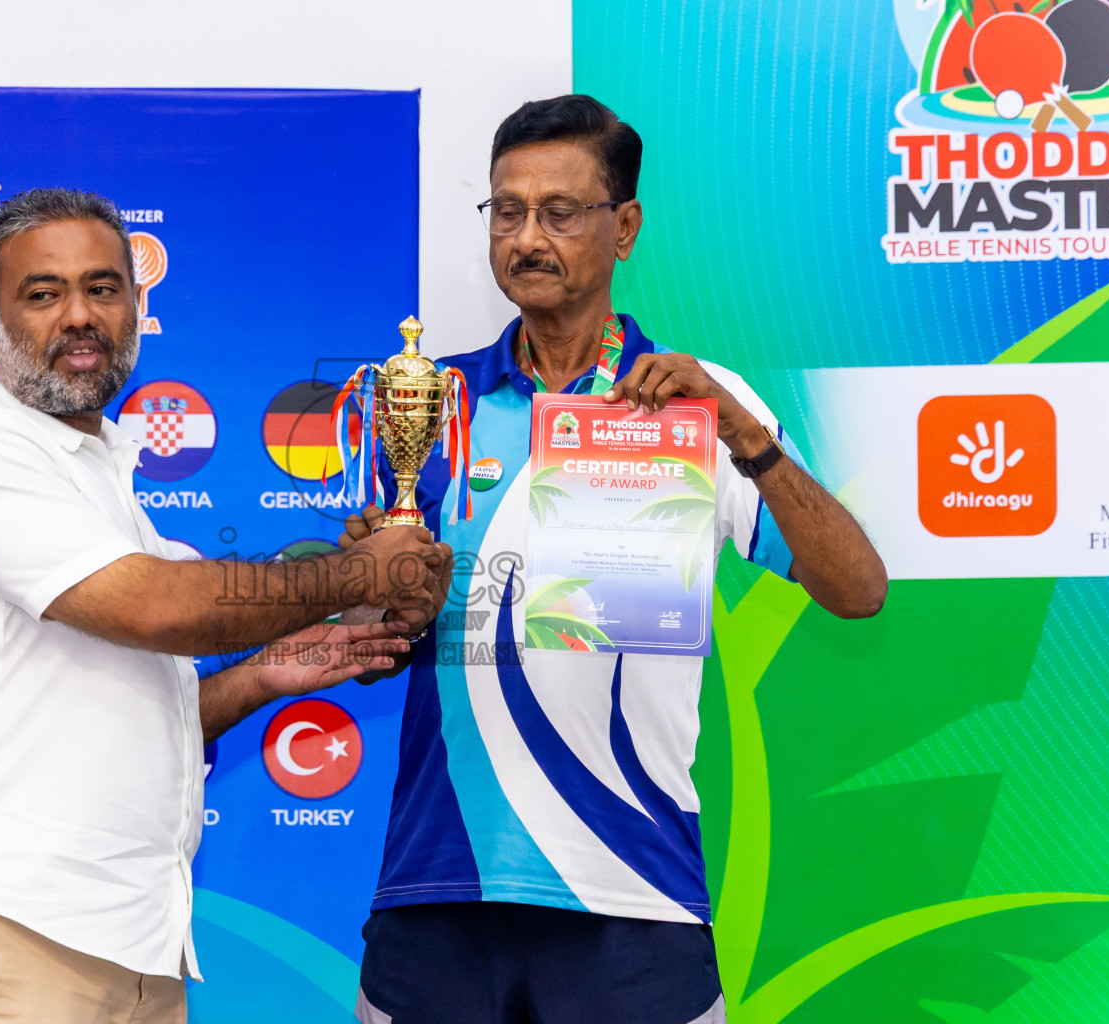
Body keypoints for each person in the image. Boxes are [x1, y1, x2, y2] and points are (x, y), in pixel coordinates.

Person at [344, 96, 888, 1024]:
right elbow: (373, 643)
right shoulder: (430, 402)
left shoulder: (696, 409)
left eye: (561, 212)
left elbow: (857, 588)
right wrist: (372, 595)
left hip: (635, 892)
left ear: (624, 227)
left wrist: (740, 431)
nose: (527, 237)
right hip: (441, 886)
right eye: (506, 211)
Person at [0, 188, 452, 1024]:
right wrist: (360, 574)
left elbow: (127, 715)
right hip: (10, 938)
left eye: (104, 288)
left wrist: (264, 675)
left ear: (137, 307)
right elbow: (156, 608)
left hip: (134, 948)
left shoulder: (104, 482)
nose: (80, 315)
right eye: (44, 293)